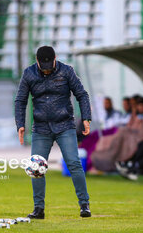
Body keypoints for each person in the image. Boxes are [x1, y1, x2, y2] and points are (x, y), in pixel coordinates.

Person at [14, 46, 92, 219]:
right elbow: (20, 100)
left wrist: (86, 117)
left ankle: (84, 205)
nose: (47, 69)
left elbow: (82, 94)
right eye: (43, 65)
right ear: (37, 61)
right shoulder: (28, 74)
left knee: (73, 163)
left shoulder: (67, 71)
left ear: (55, 58)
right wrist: (20, 124)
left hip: (65, 125)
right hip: (41, 128)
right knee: (36, 168)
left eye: (49, 64)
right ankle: (38, 209)